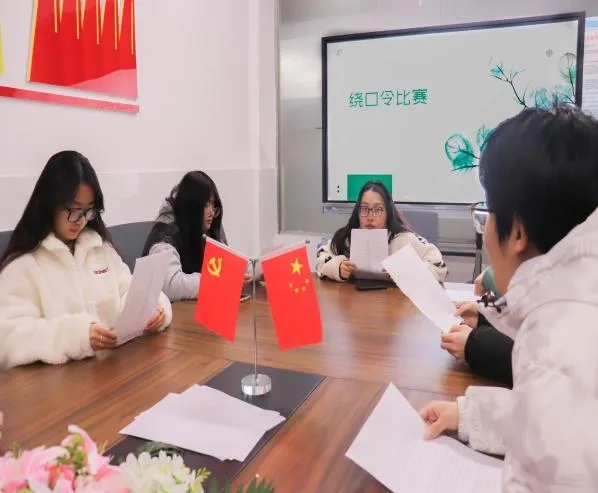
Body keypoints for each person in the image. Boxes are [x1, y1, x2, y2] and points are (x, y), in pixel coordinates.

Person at [419, 105, 598, 491]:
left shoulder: (558, 347)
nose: (485, 231)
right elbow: (560, 417)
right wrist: (470, 416)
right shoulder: (577, 308)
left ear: (517, 232)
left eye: (488, 212)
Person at [0, 151, 172, 370]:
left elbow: (129, 290)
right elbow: (7, 339)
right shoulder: (23, 265)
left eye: (89, 211)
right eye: (74, 210)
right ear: (49, 204)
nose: (81, 221)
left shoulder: (100, 249)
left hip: (111, 371)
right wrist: (75, 337)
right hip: (57, 385)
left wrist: (154, 309)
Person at [142, 171, 249, 302]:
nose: (211, 212)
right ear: (191, 207)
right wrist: (217, 281)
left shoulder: (203, 230)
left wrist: (259, 269)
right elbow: (172, 285)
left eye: (213, 205)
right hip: (170, 313)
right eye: (206, 205)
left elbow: (231, 264)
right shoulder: (165, 238)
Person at [315, 181, 447, 282]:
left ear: (388, 212)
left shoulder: (403, 239)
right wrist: (337, 267)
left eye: (377, 210)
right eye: (364, 209)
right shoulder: (347, 238)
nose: (370, 217)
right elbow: (321, 258)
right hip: (354, 303)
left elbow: (439, 266)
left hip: (395, 305)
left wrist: (408, 270)